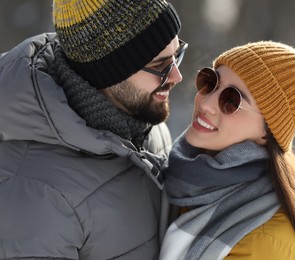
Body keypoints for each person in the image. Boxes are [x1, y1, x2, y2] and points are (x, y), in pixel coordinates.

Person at [0, 0, 187, 259]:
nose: (177, 75)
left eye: (177, 53)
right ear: (108, 72)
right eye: (159, 65)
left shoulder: (141, 121)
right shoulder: (35, 194)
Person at [159, 41, 295, 260]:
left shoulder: (263, 244)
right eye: (211, 82)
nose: (206, 103)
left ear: (266, 131)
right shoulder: (186, 182)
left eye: (231, 100)